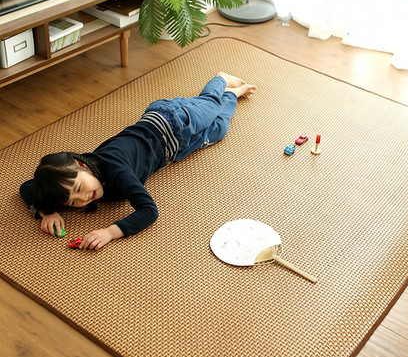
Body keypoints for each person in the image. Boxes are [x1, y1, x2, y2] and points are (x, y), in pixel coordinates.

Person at [20, 72, 257, 250]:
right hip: (175, 149)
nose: (83, 199)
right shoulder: (72, 179)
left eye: (80, 189)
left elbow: (149, 211)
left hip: (173, 121)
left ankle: (220, 79)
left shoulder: (117, 173)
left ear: (82, 165)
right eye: (73, 203)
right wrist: (46, 212)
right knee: (220, 129)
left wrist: (110, 232)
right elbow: (27, 187)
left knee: (210, 105)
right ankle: (233, 92)